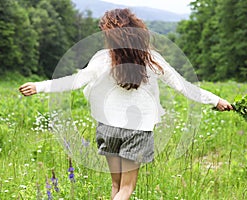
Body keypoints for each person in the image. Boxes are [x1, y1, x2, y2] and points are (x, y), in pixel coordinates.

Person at [19, 8, 233, 200]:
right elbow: (184, 86)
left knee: (116, 185)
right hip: (138, 130)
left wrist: (40, 86)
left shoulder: (103, 58)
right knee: (126, 189)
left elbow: (76, 81)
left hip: (108, 128)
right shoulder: (151, 58)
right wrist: (217, 100)